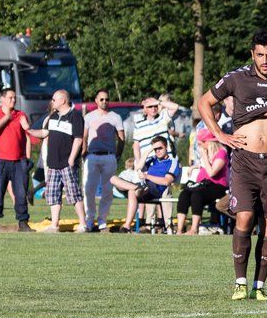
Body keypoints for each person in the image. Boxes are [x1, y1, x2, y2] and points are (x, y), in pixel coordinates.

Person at [196, 28, 267, 299]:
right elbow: (204, 103)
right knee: (243, 218)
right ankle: (240, 282)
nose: (265, 60)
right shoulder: (237, 78)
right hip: (244, 161)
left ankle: (260, 286)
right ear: (252, 54)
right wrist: (220, 135)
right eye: (260, 55)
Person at [27, 90, 88, 232]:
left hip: (67, 162)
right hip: (53, 163)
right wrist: (29, 130)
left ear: (63, 100)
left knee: (74, 194)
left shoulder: (75, 116)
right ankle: (55, 225)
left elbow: (78, 139)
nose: (52, 102)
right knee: (53, 194)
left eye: (54, 99)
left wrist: (72, 158)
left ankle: (83, 224)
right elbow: (44, 133)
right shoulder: (53, 116)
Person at [110, 135, 180, 231]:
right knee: (113, 178)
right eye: (155, 149)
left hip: (154, 189)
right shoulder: (153, 159)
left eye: (160, 148)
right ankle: (135, 188)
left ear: (166, 147)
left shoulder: (172, 162)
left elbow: (166, 181)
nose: (157, 151)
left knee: (132, 192)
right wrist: (149, 150)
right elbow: (138, 167)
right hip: (141, 186)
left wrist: (147, 176)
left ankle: (127, 226)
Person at [0, 88, 33, 232]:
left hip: (19, 161)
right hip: (0, 160)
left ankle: (23, 223)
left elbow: (27, 137)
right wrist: (7, 117)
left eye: (14, 98)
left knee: (20, 193)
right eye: (10, 97)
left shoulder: (21, 115)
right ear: (2, 99)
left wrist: (27, 158)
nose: (13, 100)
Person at [83, 89, 124, 232]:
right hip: (92, 155)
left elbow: (121, 138)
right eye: (101, 99)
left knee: (107, 189)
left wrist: (117, 155)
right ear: (96, 100)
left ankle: (102, 219)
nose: (104, 102)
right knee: (89, 189)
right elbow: (84, 136)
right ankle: (89, 219)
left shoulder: (115, 117)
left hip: (109, 156)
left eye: (106, 99)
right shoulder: (89, 117)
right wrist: (84, 153)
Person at [175, 127, 229, 235]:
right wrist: (195, 166)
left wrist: (204, 156)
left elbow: (212, 173)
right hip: (203, 184)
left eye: (200, 144)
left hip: (217, 186)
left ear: (207, 142)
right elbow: (204, 165)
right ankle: (179, 230)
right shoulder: (209, 153)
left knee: (197, 195)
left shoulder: (222, 153)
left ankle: (194, 229)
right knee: (184, 195)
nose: (199, 147)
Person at [131, 96, 172, 168]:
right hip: (146, 162)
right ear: (145, 109)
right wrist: (139, 162)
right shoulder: (138, 125)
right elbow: (136, 146)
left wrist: (158, 102)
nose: (154, 108)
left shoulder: (163, 118)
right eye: (150, 106)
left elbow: (175, 107)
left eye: (155, 106)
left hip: (164, 160)